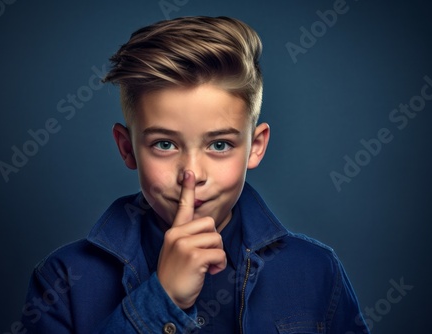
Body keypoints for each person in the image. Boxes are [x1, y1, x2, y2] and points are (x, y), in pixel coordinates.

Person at [20, 16, 369, 333]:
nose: (192, 174)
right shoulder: (63, 279)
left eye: (219, 145)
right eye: (164, 144)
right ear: (127, 148)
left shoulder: (316, 271)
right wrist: (161, 300)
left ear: (256, 145)